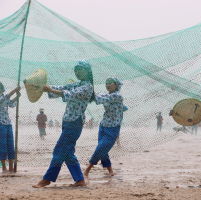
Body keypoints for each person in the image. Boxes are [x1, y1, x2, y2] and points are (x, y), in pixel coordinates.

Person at [33, 60, 94, 188]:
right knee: (68, 152)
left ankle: (47, 179)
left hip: (75, 122)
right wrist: (45, 88)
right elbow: (62, 88)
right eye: (76, 70)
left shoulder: (87, 87)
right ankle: (79, 179)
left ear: (87, 72)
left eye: (80, 70)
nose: (77, 72)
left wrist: (50, 90)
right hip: (68, 122)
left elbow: (70, 94)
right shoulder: (77, 84)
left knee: (59, 150)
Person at [84, 78, 127, 177]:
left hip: (113, 128)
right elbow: (99, 96)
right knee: (103, 150)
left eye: (110, 83)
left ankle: (87, 170)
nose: (107, 85)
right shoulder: (106, 94)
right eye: (106, 83)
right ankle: (110, 171)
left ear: (116, 85)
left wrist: (91, 94)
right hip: (103, 126)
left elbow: (101, 99)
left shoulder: (117, 96)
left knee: (101, 148)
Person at [0, 82, 21, 173]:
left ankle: (11, 167)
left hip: (8, 124)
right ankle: (4, 167)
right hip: (1, 124)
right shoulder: (2, 98)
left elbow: (11, 104)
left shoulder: (4, 97)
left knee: (10, 146)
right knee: (2, 146)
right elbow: (5, 98)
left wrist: (17, 97)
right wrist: (14, 91)